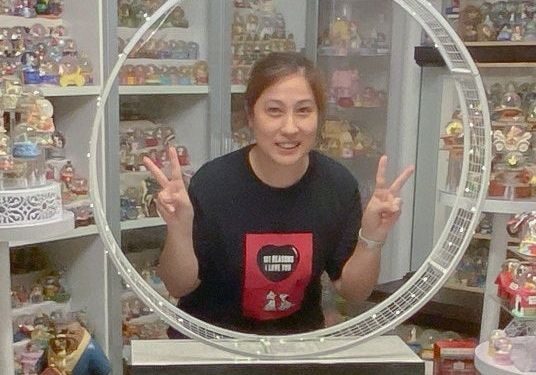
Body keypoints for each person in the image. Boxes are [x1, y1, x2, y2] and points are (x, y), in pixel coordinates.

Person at [144, 51, 412, 333]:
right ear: (250, 116)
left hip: (296, 353)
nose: (290, 128)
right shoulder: (214, 183)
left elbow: (354, 292)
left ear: (319, 116)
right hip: (212, 350)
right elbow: (179, 285)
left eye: (304, 110)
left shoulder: (337, 186)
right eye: (274, 110)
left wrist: (372, 237)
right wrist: (179, 230)